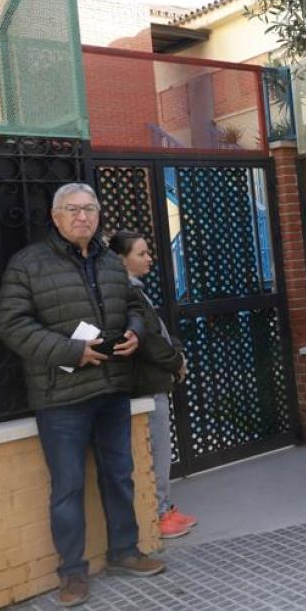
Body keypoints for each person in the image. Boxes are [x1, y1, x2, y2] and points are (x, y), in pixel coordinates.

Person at [0, 183, 165, 607]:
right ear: (55, 217)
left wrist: (134, 333)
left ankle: (124, 551)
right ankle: (71, 574)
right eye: (72, 210)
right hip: (61, 396)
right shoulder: (28, 264)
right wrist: (73, 351)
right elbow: (12, 326)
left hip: (111, 388)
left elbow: (134, 308)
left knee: (118, 476)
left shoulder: (110, 261)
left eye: (89, 209)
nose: (82, 217)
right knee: (68, 487)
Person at [109, 230, 197, 539]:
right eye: (141, 254)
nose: (149, 259)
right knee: (158, 450)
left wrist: (175, 350)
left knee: (161, 447)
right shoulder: (124, 293)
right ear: (122, 260)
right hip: (146, 384)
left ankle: (165, 508)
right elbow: (147, 340)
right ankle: (161, 514)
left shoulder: (135, 290)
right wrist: (176, 361)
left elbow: (157, 331)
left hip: (154, 381)